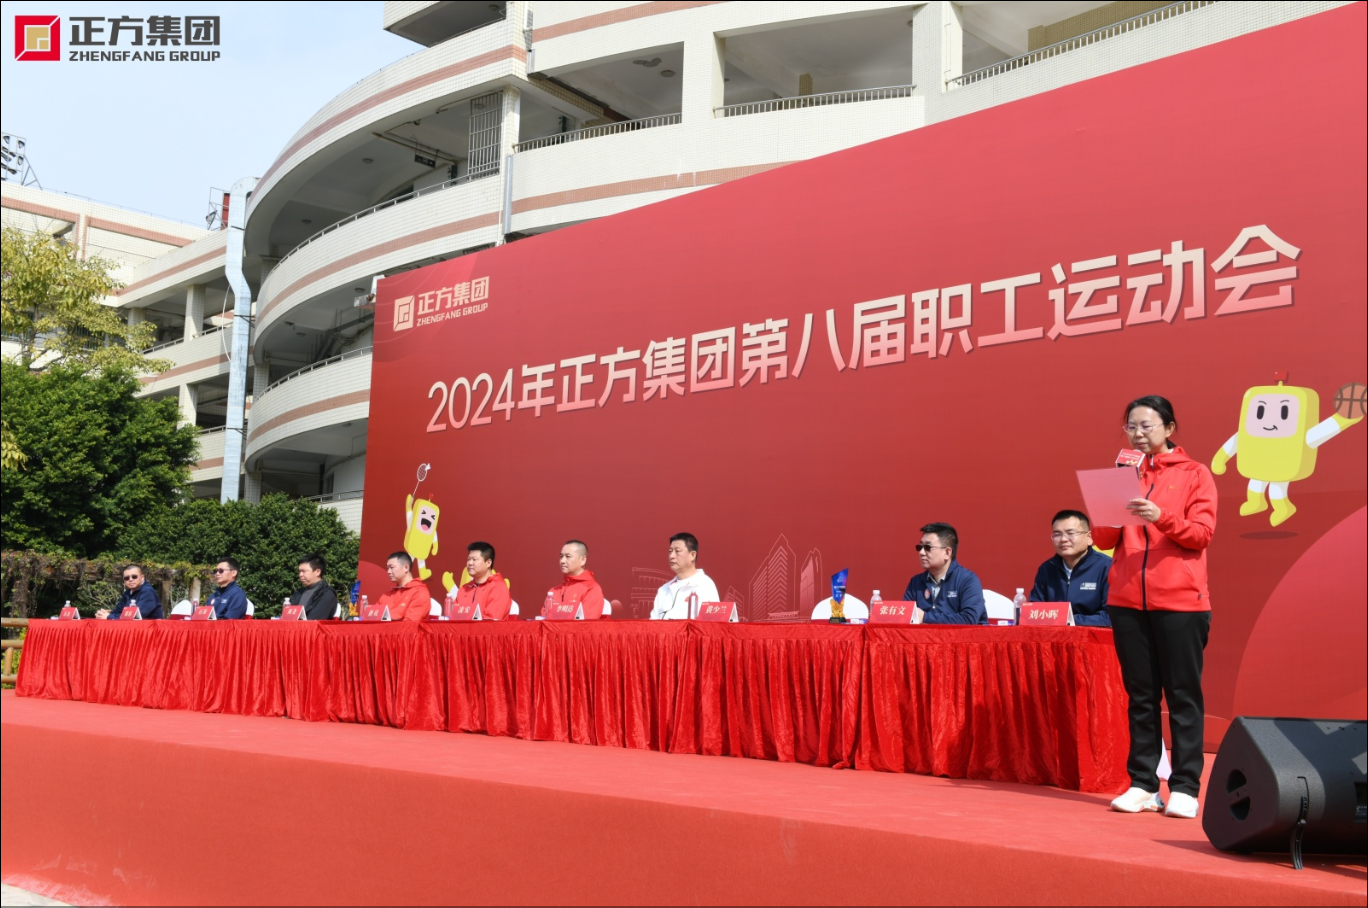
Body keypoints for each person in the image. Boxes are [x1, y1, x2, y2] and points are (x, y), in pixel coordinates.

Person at [1093, 395, 1216, 820]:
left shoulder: (1194, 473)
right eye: (1131, 426)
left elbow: (1201, 534)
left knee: (1182, 695)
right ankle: (1144, 784)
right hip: (1127, 601)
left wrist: (1160, 515)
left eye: (1146, 425)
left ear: (1169, 428)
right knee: (1140, 697)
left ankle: (1185, 787)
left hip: (1181, 602)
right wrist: (1111, 499)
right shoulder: (1123, 473)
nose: (1138, 433)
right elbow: (1103, 539)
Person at [1029, 510, 1111, 627]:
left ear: (1089, 537)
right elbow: (1035, 612)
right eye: (1057, 534)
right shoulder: (1047, 569)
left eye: (1070, 533)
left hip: (1092, 636)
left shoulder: (1107, 567)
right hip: (1053, 636)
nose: (1063, 539)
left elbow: (1110, 617)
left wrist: (1068, 620)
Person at [902, 522, 986, 624]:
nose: (921, 552)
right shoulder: (915, 582)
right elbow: (904, 617)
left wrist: (925, 617)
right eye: (920, 547)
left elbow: (969, 619)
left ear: (947, 553)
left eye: (928, 547)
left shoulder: (968, 580)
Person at [650, 532, 719, 620]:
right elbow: (653, 622)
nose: (672, 556)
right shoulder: (664, 590)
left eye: (677, 551)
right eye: (670, 551)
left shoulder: (705, 585)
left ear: (692, 555)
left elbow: (711, 622)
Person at [542, 540, 605, 619]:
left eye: (568, 556)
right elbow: (545, 619)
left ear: (583, 560)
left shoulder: (592, 589)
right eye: (561, 556)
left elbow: (587, 622)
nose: (562, 561)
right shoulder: (553, 592)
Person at [452, 542, 512, 620]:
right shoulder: (464, 589)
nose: (470, 563)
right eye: (468, 559)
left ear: (488, 563)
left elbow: (491, 622)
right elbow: (453, 619)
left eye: (474, 560)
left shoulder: (499, 588)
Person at [377, 551, 432, 621]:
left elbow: (410, 624)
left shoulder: (420, 593)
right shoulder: (386, 596)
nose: (388, 572)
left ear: (406, 567)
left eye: (392, 567)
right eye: (387, 568)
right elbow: (373, 617)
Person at [95, 563, 163, 620]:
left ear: (142, 578)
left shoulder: (148, 592)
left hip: (151, 630)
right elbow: (118, 611)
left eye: (134, 576)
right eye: (127, 578)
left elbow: (136, 616)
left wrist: (108, 616)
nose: (130, 579)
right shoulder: (127, 593)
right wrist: (103, 614)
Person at [290, 554, 340, 620]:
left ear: (317, 572)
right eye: (299, 572)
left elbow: (314, 620)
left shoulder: (327, 594)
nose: (300, 575)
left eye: (304, 571)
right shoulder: (298, 593)